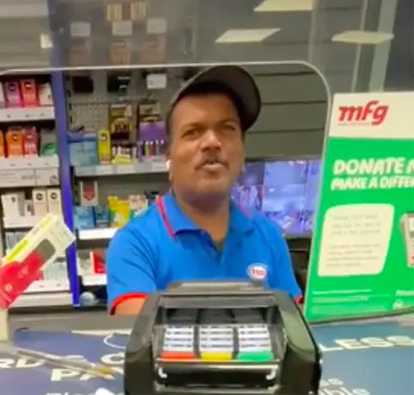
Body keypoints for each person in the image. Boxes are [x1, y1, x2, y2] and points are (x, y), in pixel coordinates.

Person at [106, 65, 302, 316]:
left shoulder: (269, 237)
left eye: (226, 129)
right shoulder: (135, 244)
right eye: (193, 132)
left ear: (242, 153)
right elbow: (138, 333)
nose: (212, 142)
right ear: (169, 157)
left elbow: (296, 328)